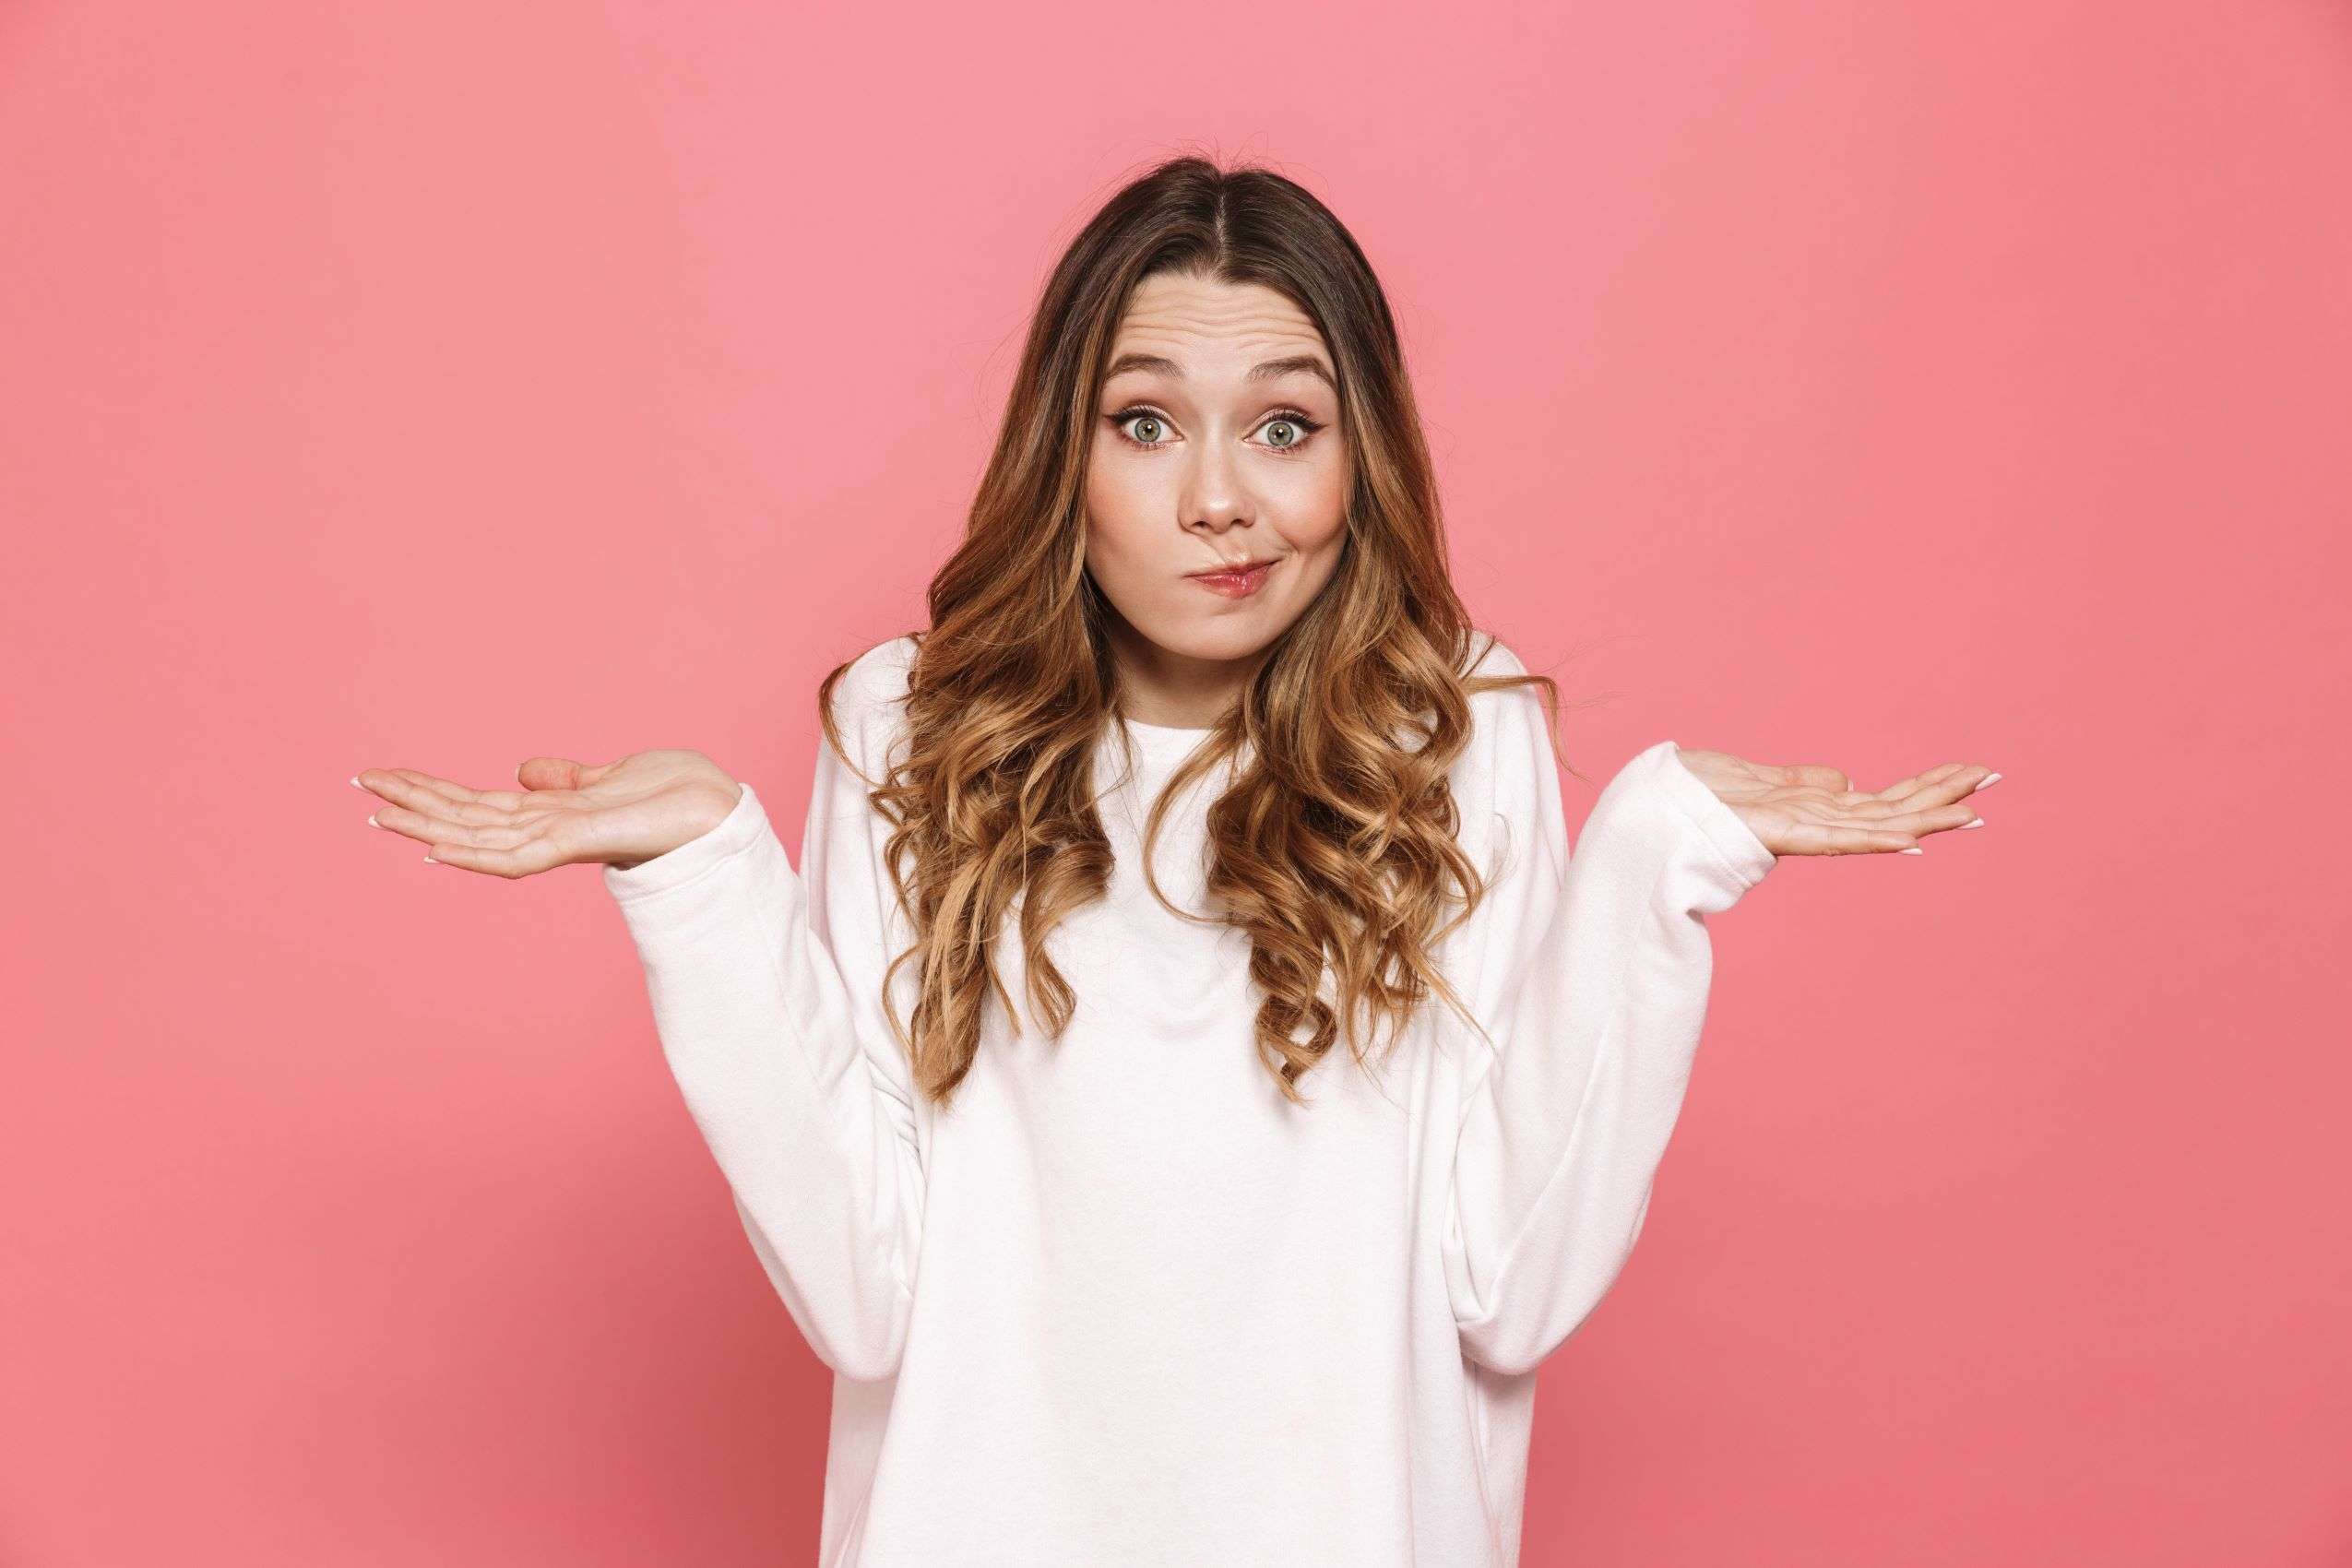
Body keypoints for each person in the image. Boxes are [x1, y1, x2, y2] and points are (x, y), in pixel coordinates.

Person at [354, 156, 1995, 1568]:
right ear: (1062, 454)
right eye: (1145, 423)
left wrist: (1653, 859)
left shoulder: (1452, 736)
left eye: (1284, 426)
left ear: (1360, 460)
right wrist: (710, 878)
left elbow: (1510, 1285)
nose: (1220, 499)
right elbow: (861, 1292)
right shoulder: (910, 729)